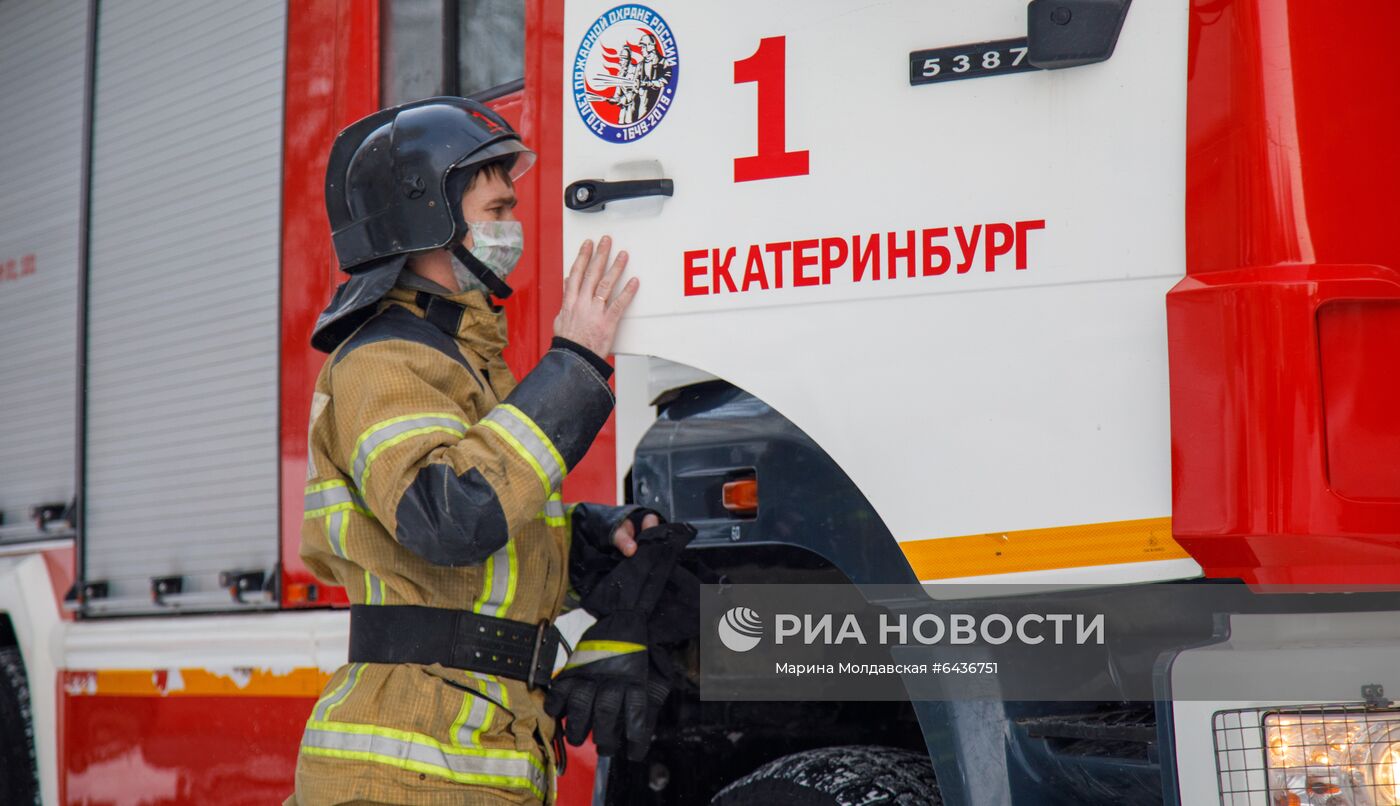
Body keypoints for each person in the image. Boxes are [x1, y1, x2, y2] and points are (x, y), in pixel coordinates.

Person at [286, 97, 691, 806]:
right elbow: (450, 517)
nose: (513, 228)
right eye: (497, 209)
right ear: (427, 217)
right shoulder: (382, 365)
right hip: (399, 778)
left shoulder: (463, 364)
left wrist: (588, 542)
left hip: (466, 762)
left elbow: (481, 553)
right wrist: (576, 364)